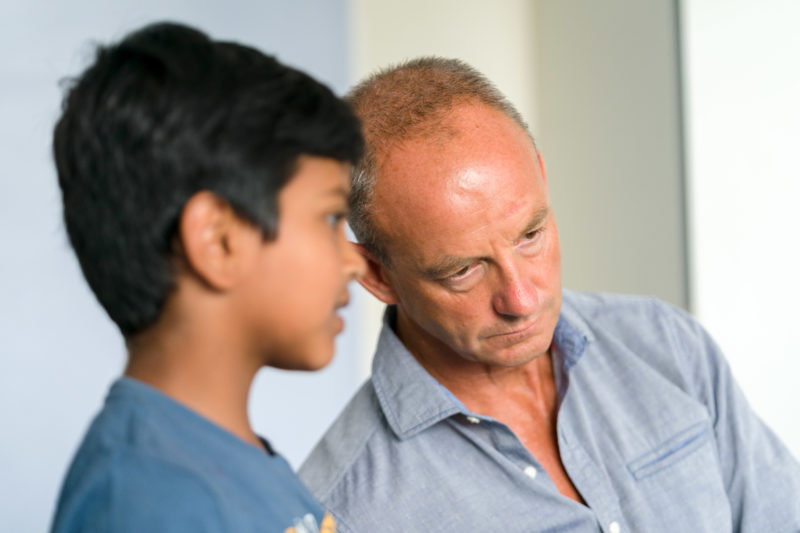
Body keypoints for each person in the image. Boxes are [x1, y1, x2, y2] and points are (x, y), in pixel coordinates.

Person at [299, 57, 800, 532]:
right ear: (374, 273)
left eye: (530, 235)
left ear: (541, 175)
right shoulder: (346, 510)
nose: (520, 298)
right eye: (463, 270)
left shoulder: (665, 345)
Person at [49, 21, 364, 533]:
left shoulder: (233, 463)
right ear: (218, 241)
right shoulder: (146, 501)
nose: (352, 260)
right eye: (330, 217)